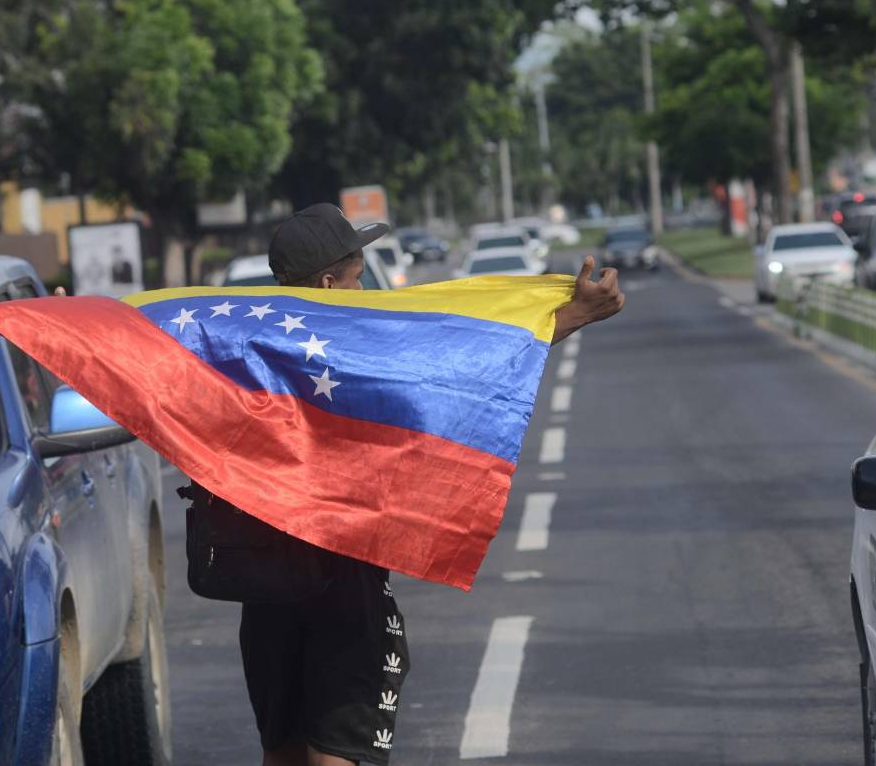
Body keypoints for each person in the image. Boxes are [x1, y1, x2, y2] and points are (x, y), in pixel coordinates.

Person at [236, 203, 624, 766]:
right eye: (356, 273)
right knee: (334, 757)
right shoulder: (358, 347)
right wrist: (574, 316)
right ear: (328, 283)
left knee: (283, 754)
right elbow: (462, 364)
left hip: (264, 593)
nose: (364, 284)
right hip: (343, 583)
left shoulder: (247, 350)